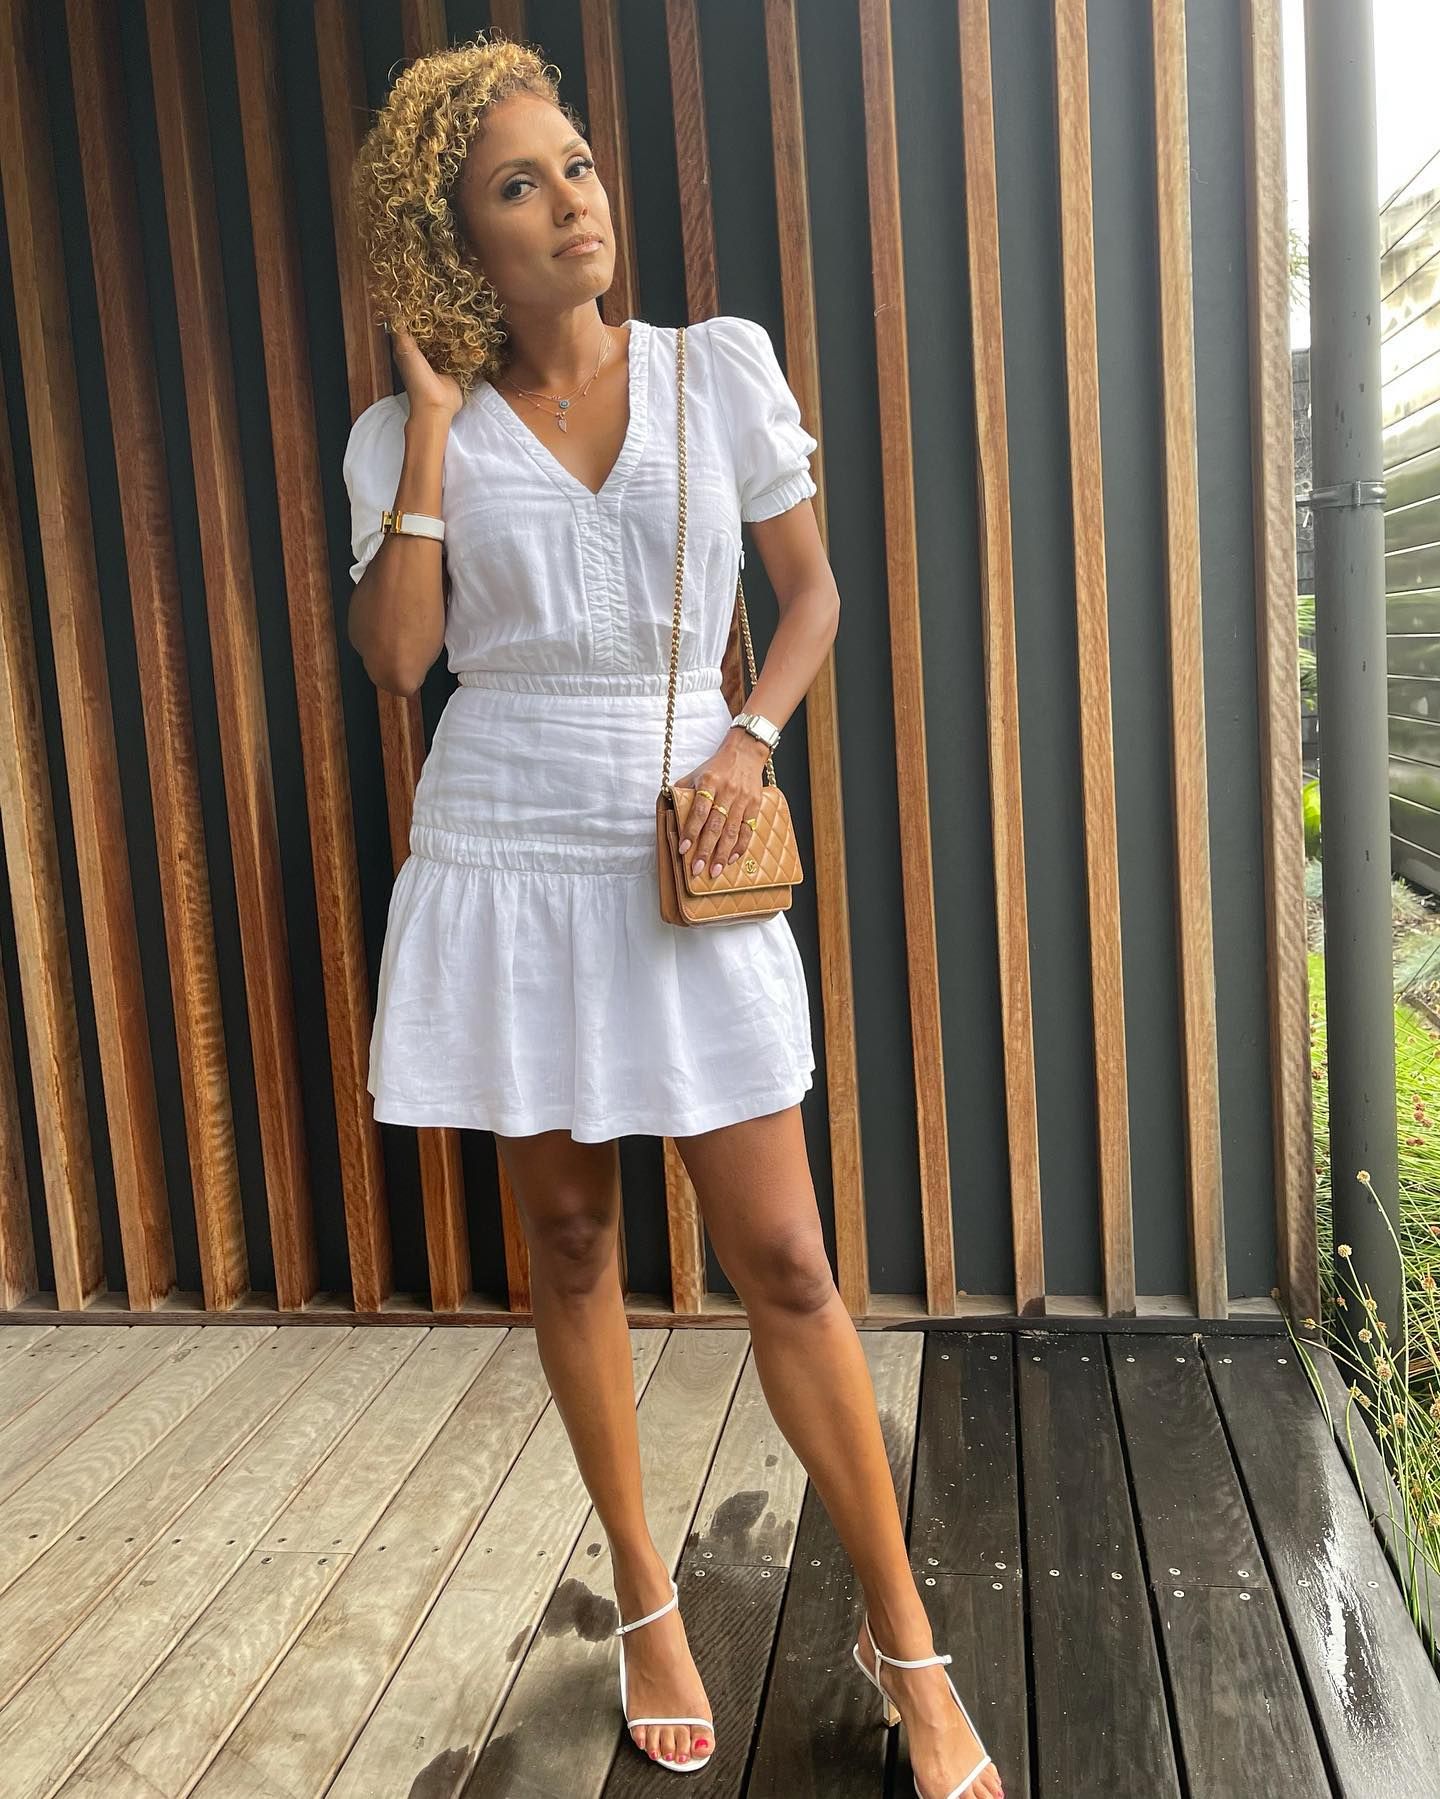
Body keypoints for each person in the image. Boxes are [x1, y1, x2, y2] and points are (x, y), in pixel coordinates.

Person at [344, 32, 1002, 1799]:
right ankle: (645, 1594)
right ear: (455, 241)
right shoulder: (409, 435)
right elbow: (399, 659)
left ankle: (904, 1643)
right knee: (570, 1246)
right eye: (519, 184)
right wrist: (429, 433)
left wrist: (750, 737)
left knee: (786, 1260)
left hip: (686, 835)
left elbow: (812, 593)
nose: (573, 200)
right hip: (504, 844)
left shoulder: (720, 369)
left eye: (575, 163)